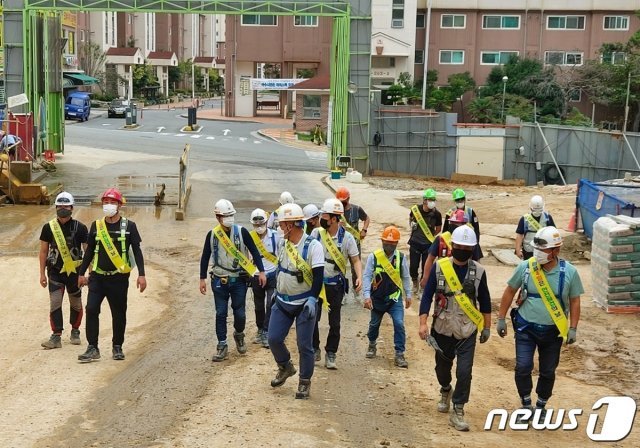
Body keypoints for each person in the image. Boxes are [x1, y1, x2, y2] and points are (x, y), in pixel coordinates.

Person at [496, 226, 582, 422]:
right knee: (523, 366)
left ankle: (541, 405)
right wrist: (501, 318)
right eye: (536, 248)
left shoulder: (570, 272)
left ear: (556, 250)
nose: (537, 253)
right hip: (526, 327)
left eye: (542, 250)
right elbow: (510, 291)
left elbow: (575, 300)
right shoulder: (525, 267)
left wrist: (573, 328)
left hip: (553, 332)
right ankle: (526, 404)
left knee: (548, 371)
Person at [419, 225, 491, 431]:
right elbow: (427, 296)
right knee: (442, 369)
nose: (463, 250)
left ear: (472, 250)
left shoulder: (479, 272)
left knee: (465, 371)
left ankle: (458, 408)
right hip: (442, 328)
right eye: (459, 246)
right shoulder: (440, 267)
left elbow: (485, 301)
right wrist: (423, 323)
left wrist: (487, 327)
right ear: (453, 246)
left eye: (467, 248)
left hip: (467, 330)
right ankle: (445, 389)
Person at [77, 188, 147, 362]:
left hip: (118, 278)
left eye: (112, 202)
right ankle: (92, 347)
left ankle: (117, 346)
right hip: (98, 277)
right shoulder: (96, 225)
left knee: (118, 312)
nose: (108, 206)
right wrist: (81, 273)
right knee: (91, 309)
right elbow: (90, 251)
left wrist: (141, 274)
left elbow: (137, 251)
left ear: (119, 205)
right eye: (106, 202)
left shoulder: (130, 226)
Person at [268, 203, 324, 399]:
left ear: (291, 225)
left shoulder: (313, 246)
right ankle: (285, 367)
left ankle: (304, 382)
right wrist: (277, 289)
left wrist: (312, 299)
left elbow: (318, 277)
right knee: (273, 338)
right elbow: (280, 267)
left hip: (303, 304)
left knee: (304, 345)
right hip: (282, 301)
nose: (280, 228)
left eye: (283, 224)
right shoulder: (283, 243)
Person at [199, 199, 267, 362]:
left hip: (239, 280)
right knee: (221, 313)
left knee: (240, 313)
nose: (229, 218)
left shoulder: (242, 232)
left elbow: (254, 252)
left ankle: (239, 333)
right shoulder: (213, 235)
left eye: (231, 215)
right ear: (218, 217)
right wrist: (202, 278)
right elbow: (205, 257)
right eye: (226, 215)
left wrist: (261, 271)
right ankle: (222, 345)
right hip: (219, 280)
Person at [311, 198, 362, 369]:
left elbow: (355, 260)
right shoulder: (316, 234)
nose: (322, 219)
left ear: (333, 218)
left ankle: (331, 352)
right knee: (312, 317)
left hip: (335, 285)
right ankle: (314, 348)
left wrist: (359, 277)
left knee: (335, 322)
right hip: (317, 285)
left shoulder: (347, 238)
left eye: (325, 216)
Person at [38, 192, 88, 349]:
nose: (62, 209)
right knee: (55, 303)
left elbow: (87, 251)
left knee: (76, 303)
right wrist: (41, 274)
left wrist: (88, 272)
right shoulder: (48, 227)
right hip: (54, 271)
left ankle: (75, 330)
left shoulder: (80, 228)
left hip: (75, 273)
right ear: (56, 208)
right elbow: (43, 252)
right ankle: (56, 336)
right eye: (59, 206)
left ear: (72, 208)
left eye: (66, 206)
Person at [362, 226, 412, 368]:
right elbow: (366, 276)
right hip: (377, 298)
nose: (389, 245)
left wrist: (408, 294)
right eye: (386, 242)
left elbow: (406, 277)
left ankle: (399, 354)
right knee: (374, 324)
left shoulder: (400, 258)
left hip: (394, 298)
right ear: (382, 241)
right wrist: (366, 296)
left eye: (392, 243)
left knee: (399, 323)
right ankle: (372, 344)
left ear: (396, 243)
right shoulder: (374, 257)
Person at [419, 209, 480, 289]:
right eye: (451, 222)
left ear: (464, 224)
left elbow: (477, 261)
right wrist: (425, 277)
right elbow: (430, 258)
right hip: (442, 277)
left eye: (456, 223)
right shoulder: (441, 239)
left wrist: (477, 280)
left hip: (465, 278)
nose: (453, 225)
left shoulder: (470, 240)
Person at [248, 208, 279, 348]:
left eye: (262, 223)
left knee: (270, 304)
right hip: (256, 275)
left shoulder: (275, 236)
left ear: (266, 222)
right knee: (259, 305)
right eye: (256, 225)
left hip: (272, 273)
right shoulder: (249, 237)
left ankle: (267, 331)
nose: (259, 227)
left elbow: (280, 254)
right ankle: (260, 329)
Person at [335, 186, 369, 302]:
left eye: (344, 201)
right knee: (340, 269)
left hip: (355, 243)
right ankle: (342, 293)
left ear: (348, 199)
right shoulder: (335, 211)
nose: (343, 204)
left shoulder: (356, 209)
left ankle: (356, 291)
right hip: (340, 244)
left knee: (355, 269)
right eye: (340, 202)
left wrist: (364, 230)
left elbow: (367, 218)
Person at [408, 188, 442, 293]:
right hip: (415, 243)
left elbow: (438, 228)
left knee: (425, 267)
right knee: (413, 266)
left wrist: (430, 236)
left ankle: (423, 286)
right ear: (424, 200)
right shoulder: (415, 210)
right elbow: (410, 219)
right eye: (429, 199)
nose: (432, 202)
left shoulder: (437, 214)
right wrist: (412, 225)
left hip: (428, 245)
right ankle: (415, 282)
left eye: (433, 199)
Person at [443, 188, 482, 259]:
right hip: (455, 243)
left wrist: (476, 242)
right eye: (458, 200)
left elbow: (476, 228)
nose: (460, 201)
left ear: (465, 199)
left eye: (462, 199)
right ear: (454, 201)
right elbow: (445, 230)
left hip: (467, 241)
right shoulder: (450, 212)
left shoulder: (470, 211)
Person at [515, 195, 556, 260]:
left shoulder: (547, 218)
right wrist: (517, 249)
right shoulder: (525, 219)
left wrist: (517, 250)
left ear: (530, 207)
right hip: (531, 250)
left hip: (542, 250)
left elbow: (553, 233)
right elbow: (519, 235)